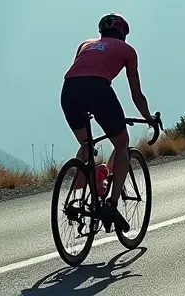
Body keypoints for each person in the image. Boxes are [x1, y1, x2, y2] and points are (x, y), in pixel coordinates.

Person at [59, 13, 153, 232]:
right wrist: (148, 117)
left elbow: (81, 71)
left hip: (69, 90)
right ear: (122, 33)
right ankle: (110, 204)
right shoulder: (127, 51)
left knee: (87, 145)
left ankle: (84, 195)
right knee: (121, 144)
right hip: (98, 89)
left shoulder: (85, 44)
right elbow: (136, 94)